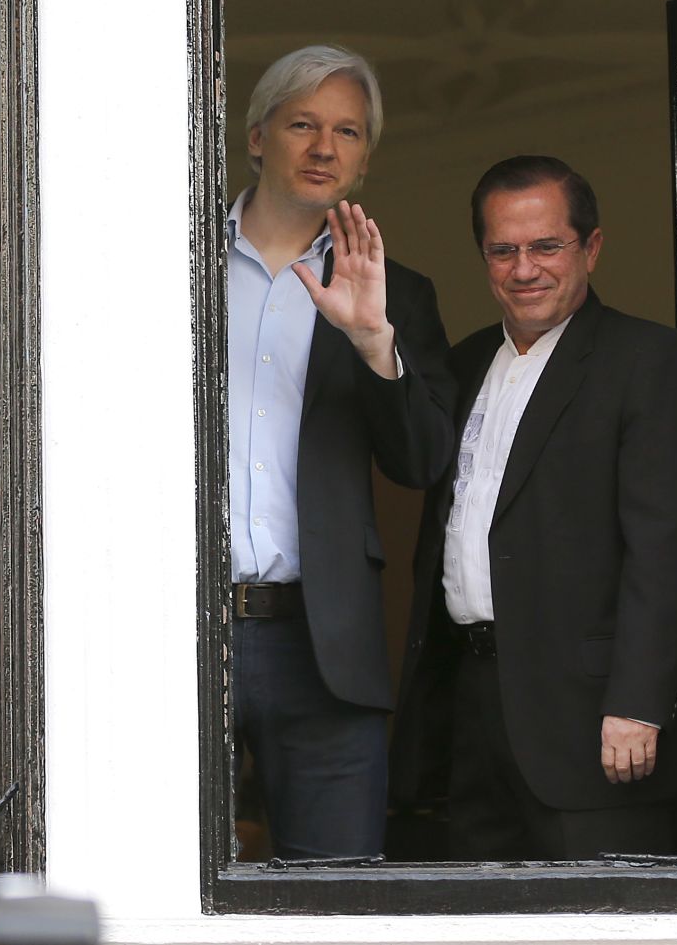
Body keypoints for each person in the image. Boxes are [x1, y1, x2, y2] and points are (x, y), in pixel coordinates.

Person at [390, 155, 677, 861]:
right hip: (472, 707)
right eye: (503, 250)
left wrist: (639, 702)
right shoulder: (467, 360)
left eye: (546, 246)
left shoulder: (649, 361)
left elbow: (667, 548)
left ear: (590, 247)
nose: (524, 267)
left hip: (595, 720)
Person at [228, 45, 455, 859]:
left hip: (321, 642)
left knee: (336, 897)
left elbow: (423, 461)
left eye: (348, 131)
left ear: (364, 157)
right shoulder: (172, 267)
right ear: (258, 138)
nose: (326, 147)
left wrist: (372, 342)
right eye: (303, 124)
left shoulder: (399, 293)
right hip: (172, 628)